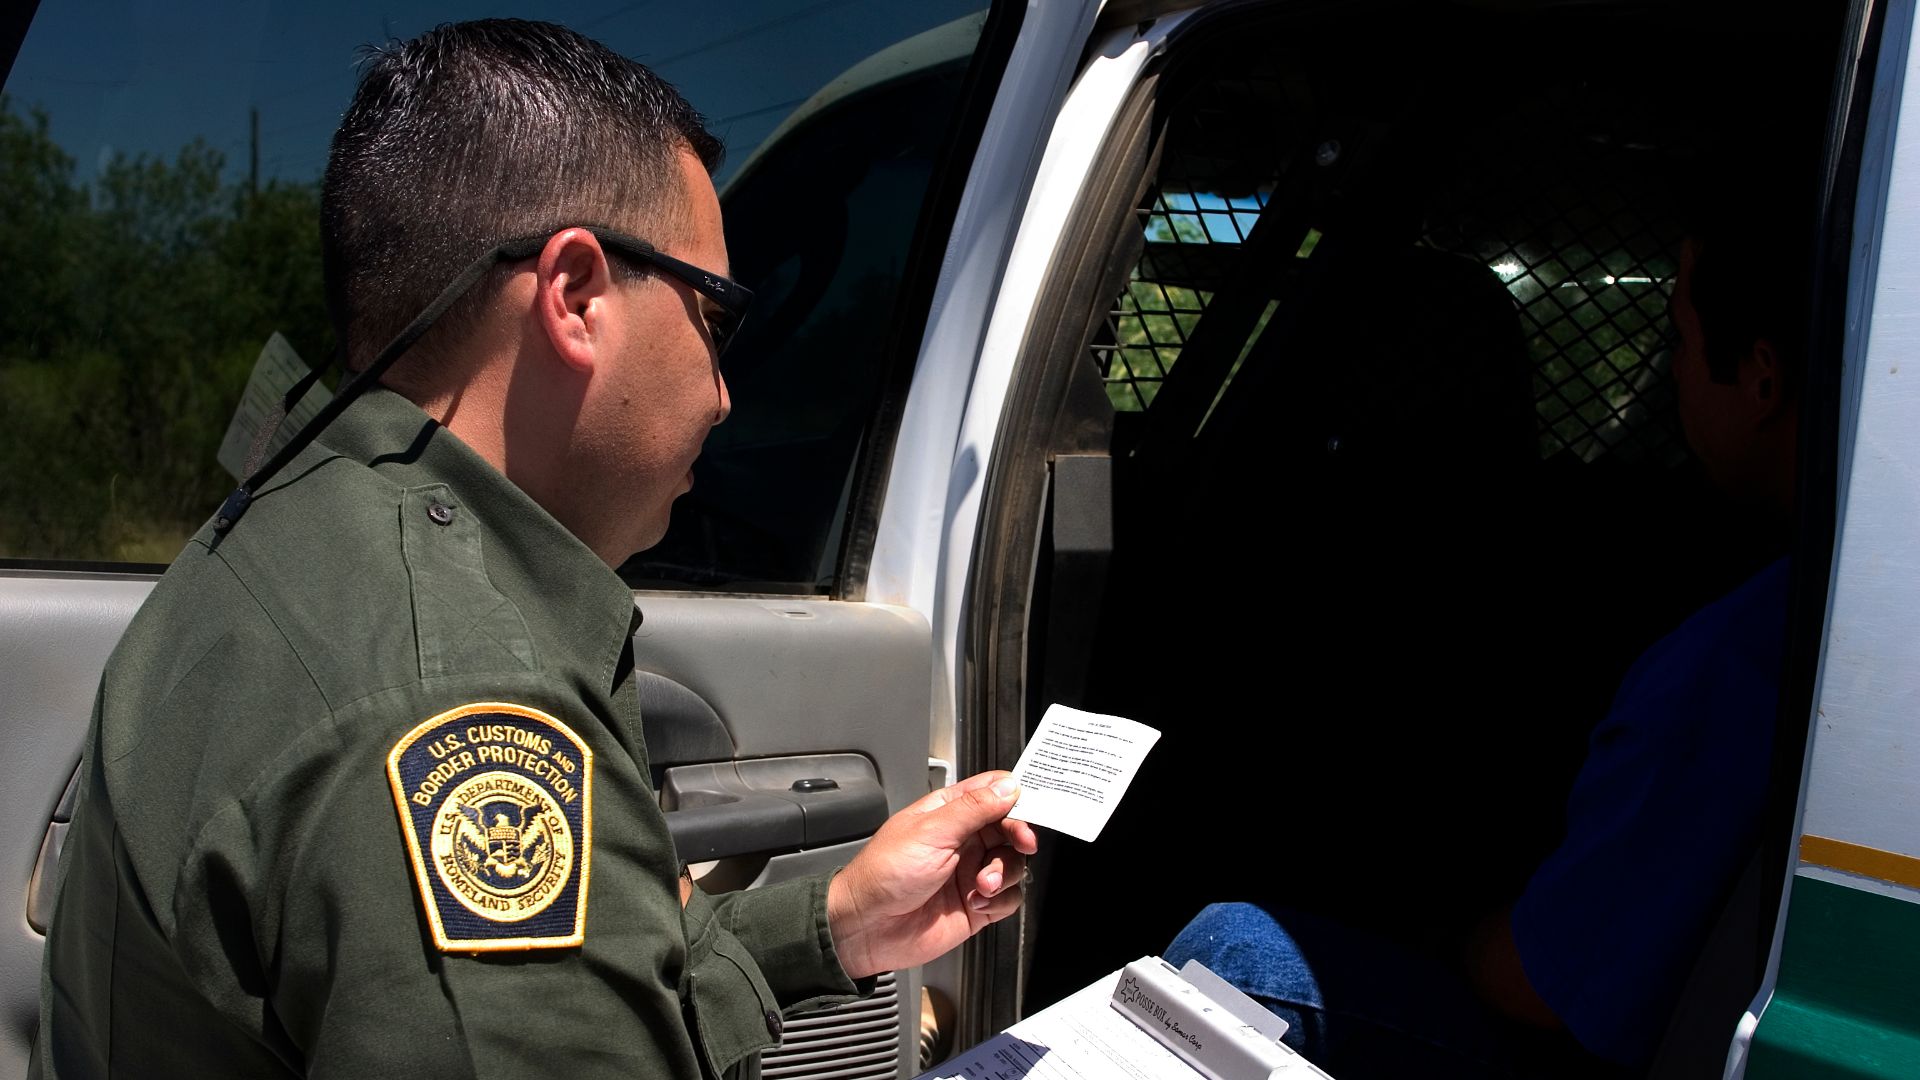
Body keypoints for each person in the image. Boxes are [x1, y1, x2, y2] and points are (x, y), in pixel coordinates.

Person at [31, 19, 1035, 1080]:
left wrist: (832, 925)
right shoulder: (456, 692)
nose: (726, 392)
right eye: (718, 319)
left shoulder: (289, 530)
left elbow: (590, 978)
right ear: (576, 296)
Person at [1163, 152, 1808, 1078]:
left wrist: (1443, 937)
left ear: (1759, 376)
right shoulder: (1784, 604)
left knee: (1232, 953)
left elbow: (1540, 981)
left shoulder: (1738, 660)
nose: (1669, 375)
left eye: (1675, 336)